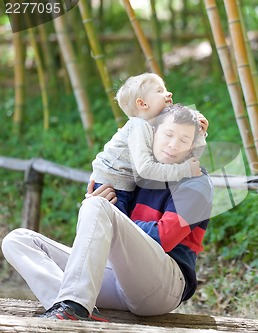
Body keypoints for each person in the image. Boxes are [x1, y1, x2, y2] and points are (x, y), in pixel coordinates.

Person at [1, 104, 213, 321]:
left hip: (162, 286)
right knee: (17, 240)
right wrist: (101, 211)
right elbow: (100, 232)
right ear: (152, 132)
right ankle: (70, 306)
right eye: (168, 134)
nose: (173, 145)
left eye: (184, 140)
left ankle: (75, 306)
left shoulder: (196, 183)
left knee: (98, 206)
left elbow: (164, 238)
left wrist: (108, 216)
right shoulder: (131, 172)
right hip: (116, 278)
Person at [90, 72, 209, 214]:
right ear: (142, 103)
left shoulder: (154, 125)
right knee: (113, 232)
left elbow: (187, 159)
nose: (169, 93)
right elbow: (146, 168)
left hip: (123, 188)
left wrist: (198, 133)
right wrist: (184, 170)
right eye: (160, 91)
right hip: (110, 188)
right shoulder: (139, 126)